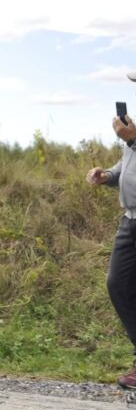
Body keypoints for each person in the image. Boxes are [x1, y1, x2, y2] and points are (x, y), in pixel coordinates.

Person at [86, 79, 136, 389]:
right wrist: (108, 175)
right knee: (118, 284)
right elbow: (127, 164)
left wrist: (134, 139)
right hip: (130, 221)